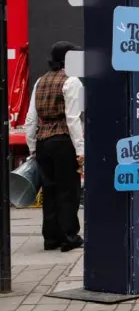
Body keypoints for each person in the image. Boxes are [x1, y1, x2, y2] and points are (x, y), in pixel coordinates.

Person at [23, 41, 85, 252]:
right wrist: (80, 150)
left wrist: (32, 146)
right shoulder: (72, 81)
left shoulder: (40, 81)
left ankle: (50, 238)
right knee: (68, 190)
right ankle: (69, 236)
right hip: (63, 141)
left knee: (49, 190)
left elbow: (31, 119)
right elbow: (73, 119)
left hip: (43, 142)